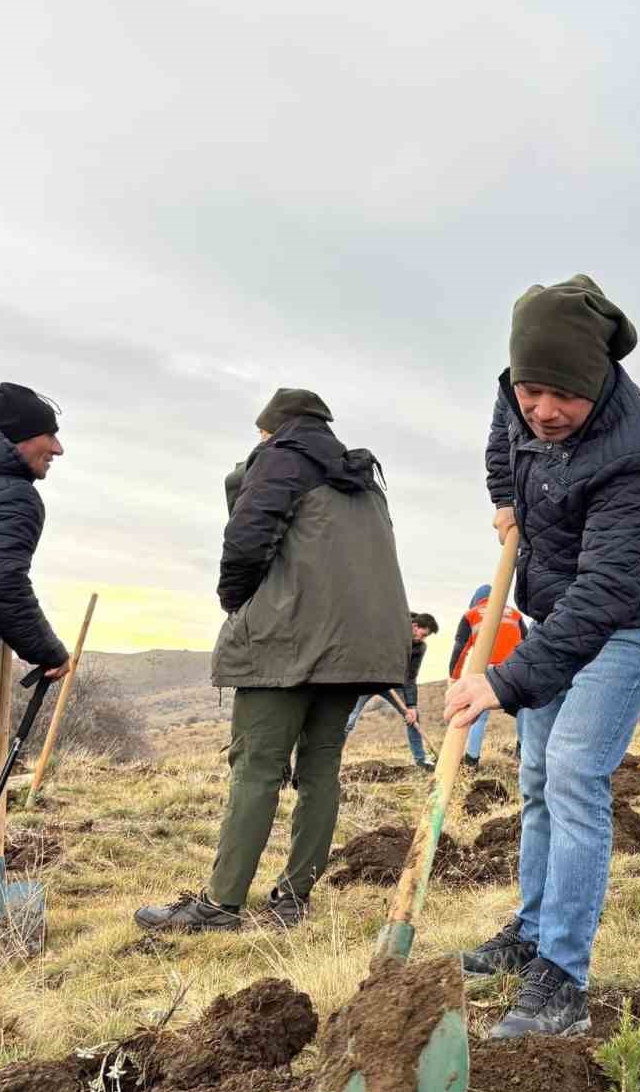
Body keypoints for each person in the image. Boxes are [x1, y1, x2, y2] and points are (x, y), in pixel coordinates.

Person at [445, 275, 640, 1038]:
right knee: (538, 779)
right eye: (532, 393)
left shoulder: (633, 459)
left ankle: (562, 979)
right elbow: (502, 429)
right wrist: (504, 495)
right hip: (555, 609)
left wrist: (506, 681)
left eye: (564, 399)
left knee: (576, 772)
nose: (543, 411)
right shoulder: (518, 397)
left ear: (599, 383)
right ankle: (530, 932)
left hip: (627, 622)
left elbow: (607, 595)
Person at [135, 388, 410, 932]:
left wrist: (236, 605)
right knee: (320, 769)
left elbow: (244, 539)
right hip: (357, 648)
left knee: (256, 768)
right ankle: (292, 899)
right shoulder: (363, 478)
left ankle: (220, 904)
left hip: (289, 642)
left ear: (271, 429)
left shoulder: (280, 459)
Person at [0, 383, 70, 681]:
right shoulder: (14, 496)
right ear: (19, 437)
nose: (58, 449)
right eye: (49, 435)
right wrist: (48, 652)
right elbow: (2, 581)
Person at [345, 612, 441, 769]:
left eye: (426, 637)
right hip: (368, 678)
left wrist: (412, 706)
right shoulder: (392, 625)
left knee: (413, 717)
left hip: (393, 683)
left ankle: (421, 760)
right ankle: (331, 761)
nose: (422, 639)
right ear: (414, 626)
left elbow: (410, 677)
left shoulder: (419, 647)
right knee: (348, 720)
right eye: (422, 635)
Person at [448, 583, 529, 768]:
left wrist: (453, 677)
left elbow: (460, 650)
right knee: (525, 710)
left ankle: (471, 759)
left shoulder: (472, 614)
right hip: (516, 668)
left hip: (488, 670)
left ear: (476, 600)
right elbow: (529, 640)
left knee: (479, 714)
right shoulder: (514, 614)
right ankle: (524, 753)